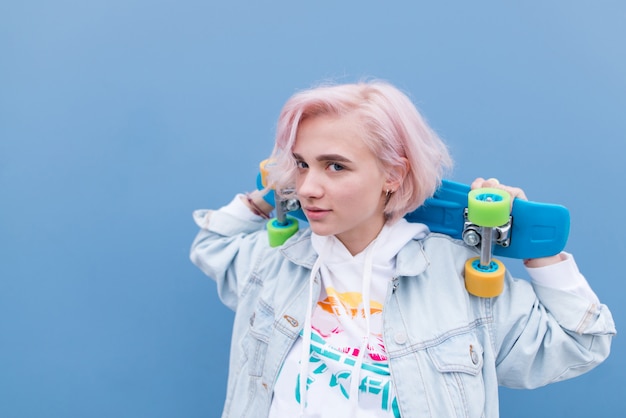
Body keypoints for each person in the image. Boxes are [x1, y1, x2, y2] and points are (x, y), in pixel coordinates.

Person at [190, 80, 615, 418]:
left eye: (335, 166)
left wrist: (530, 243)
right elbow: (212, 243)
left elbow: (582, 343)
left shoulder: (460, 281)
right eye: (302, 164)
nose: (308, 188)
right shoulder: (275, 262)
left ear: (393, 174)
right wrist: (267, 194)